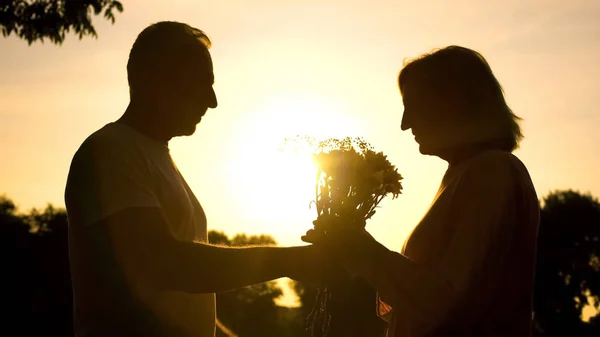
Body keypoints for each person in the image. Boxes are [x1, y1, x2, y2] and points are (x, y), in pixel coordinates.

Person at [65, 21, 330, 337]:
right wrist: (294, 261)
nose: (212, 100)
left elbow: (169, 301)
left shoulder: (152, 156)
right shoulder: (111, 151)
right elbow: (164, 264)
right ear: (159, 79)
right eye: (202, 82)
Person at [304, 46, 540, 337]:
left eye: (413, 105)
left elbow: (444, 302)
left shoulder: (491, 172)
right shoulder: (468, 173)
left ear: (453, 102)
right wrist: (348, 252)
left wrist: (361, 248)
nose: (405, 124)